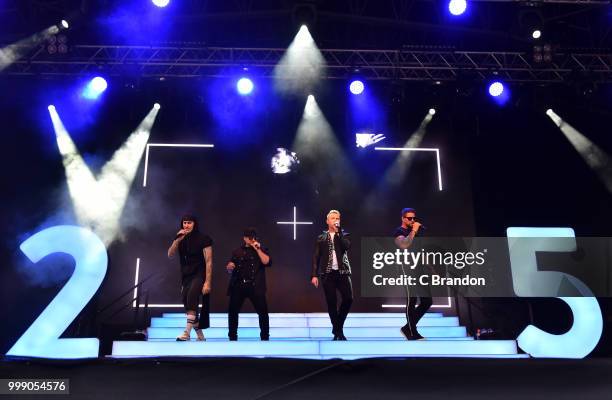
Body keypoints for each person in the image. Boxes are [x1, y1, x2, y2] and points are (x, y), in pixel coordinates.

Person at [167, 214, 213, 341]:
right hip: (186, 275)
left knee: (192, 298)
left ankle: (186, 333)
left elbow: (209, 261)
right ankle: (200, 335)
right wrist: (177, 239)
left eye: (189, 223)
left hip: (199, 274)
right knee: (187, 304)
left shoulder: (204, 238)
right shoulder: (180, 239)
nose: (186, 225)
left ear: (194, 224)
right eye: (185, 223)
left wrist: (207, 282)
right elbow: (170, 254)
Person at [311, 210, 353, 341]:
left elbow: (346, 246)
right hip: (327, 274)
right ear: (327, 221)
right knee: (332, 303)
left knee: (348, 298)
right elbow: (316, 257)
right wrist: (314, 275)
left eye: (337, 218)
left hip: (342, 272)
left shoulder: (344, 235)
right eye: (333, 218)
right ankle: (338, 332)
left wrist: (339, 233)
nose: (335, 220)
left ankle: (337, 328)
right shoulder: (321, 237)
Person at [226, 228, 272, 341]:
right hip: (239, 285)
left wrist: (258, 249)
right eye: (248, 237)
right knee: (232, 312)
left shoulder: (262, 249)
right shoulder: (237, 251)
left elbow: (266, 262)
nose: (251, 239)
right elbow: (230, 267)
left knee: (263, 312)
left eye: (253, 237)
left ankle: (265, 337)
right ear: (244, 238)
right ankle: (232, 336)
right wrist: (229, 267)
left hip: (255, 285)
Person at [394, 207, 431, 340]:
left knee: (427, 301)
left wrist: (430, 267)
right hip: (407, 269)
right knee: (412, 300)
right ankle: (411, 331)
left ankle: (407, 327)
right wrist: (414, 230)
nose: (412, 220)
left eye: (414, 218)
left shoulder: (415, 233)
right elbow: (404, 245)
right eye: (409, 218)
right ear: (403, 218)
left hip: (419, 269)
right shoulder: (399, 231)